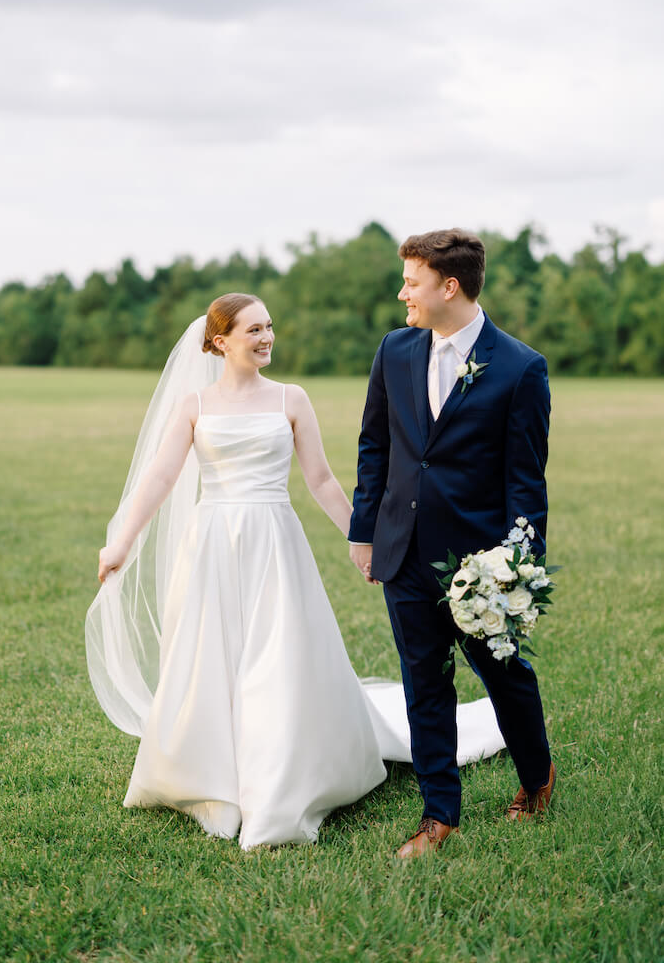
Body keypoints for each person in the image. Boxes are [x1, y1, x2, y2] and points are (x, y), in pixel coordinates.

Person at [86, 292, 505, 851]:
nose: (266, 338)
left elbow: (324, 482)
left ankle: (281, 782)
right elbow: (159, 480)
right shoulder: (194, 406)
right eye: (253, 330)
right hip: (210, 543)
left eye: (269, 327)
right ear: (219, 341)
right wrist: (120, 543)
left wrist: (367, 541)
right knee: (211, 655)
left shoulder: (291, 399)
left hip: (273, 543)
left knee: (274, 656)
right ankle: (212, 779)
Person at [349, 229, 556, 860]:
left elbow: (526, 481)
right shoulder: (395, 350)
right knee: (423, 681)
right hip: (404, 550)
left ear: (450, 286)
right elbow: (375, 444)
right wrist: (364, 530)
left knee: (503, 674)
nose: (402, 292)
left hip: (480, 564)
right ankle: (440, 815)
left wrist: (516, 568)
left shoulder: (521, 367)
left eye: (412, 281)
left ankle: (537, 776)